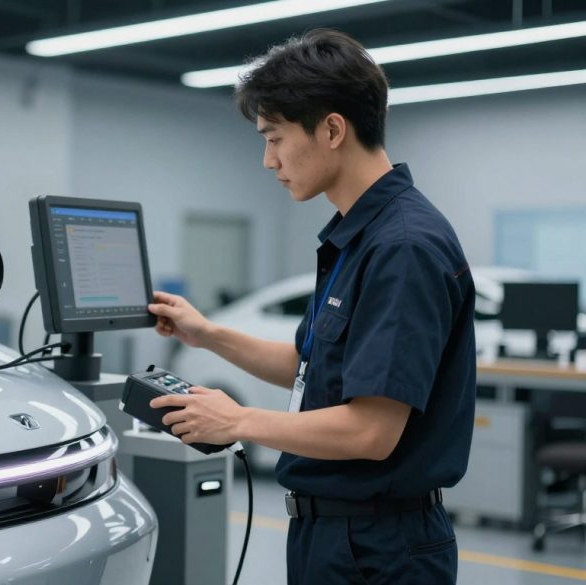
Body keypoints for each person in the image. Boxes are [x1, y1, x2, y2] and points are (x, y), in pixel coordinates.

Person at [148, 29, 475, 585]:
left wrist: (239, 421)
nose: (267, 160)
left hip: (378, 550)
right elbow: (310, 366)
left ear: (331, 129)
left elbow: (371, 431)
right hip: (337, 537)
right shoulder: (358, 238)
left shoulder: (401, 247)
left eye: (274, 138)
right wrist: (207, 335)